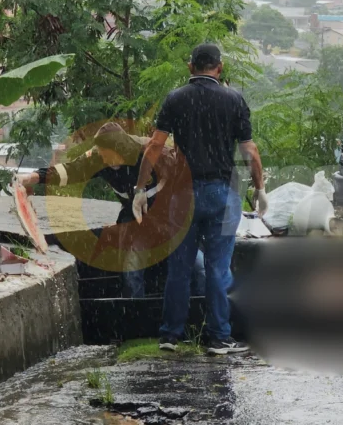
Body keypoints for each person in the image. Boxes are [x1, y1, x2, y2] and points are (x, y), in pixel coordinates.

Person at [134, 43, 267, 355]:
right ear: (219, 68)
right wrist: (260, 189)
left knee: (179, 267)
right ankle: (219, 337)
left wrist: (140, 189)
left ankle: (170, 335)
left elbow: (154, 146)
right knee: (218, 268)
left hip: (182, 195)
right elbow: (250, 150)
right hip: (221, 194)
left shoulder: (176, 98)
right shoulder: (234, 99)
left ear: (190, 66)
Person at [16, 122, 207, 298]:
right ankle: (136, 319)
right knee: (132, 270)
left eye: (110, 153)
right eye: (102, 153)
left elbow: (187, 180)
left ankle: (200, 318)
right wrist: (31, 178)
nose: (106, 159)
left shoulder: (154, 153)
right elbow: (69, 171)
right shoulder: (98, 158)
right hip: (136, 223)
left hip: (169, 222)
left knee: (198, 267)